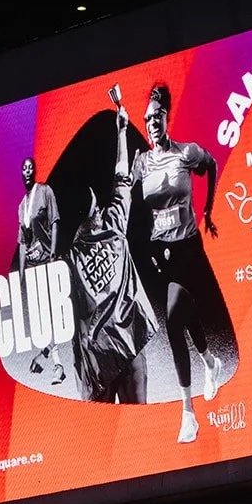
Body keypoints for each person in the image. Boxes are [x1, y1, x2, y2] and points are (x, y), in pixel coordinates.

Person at [131, 83, 223, 442]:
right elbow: (124, 188)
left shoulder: (186, 154)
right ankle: (210, 362)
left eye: (158, 116)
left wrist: (208, 211)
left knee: (173, 319)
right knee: (182, 316)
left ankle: (188, 413)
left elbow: (212, 164)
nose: (153, 122)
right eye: (148, 119)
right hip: (160, 253)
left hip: (187, 247)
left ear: (167, 118)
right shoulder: (141, 163)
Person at [68, 103, 157, 402]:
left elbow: (73, 320)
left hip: (98, 361)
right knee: (140, 431)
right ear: (94, 202)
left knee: (104, 445)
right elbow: (122, 178)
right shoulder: (114, 223)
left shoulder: (70, 258)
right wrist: (121, 129)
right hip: (128, 345)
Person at [17, 156, 64, 383]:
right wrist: (22, 274)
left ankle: (57, 364)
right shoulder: (21, 207)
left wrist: (54, 253)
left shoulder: (45, 191)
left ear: (34, 171)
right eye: (24, 168)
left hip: (47, 260)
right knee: (41, 316)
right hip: (33, 265)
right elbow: (23, 244)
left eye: (30, 168)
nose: (27, 171)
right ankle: (51, 357)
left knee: (53, 312)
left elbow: (55, 221)